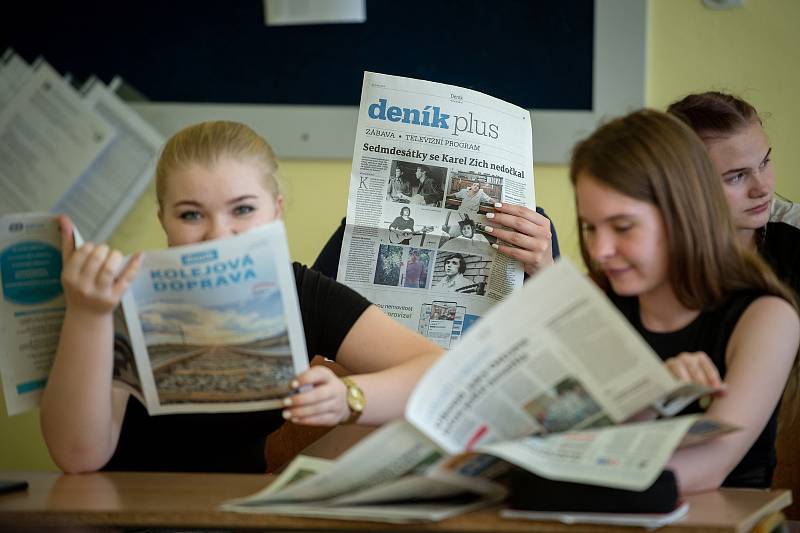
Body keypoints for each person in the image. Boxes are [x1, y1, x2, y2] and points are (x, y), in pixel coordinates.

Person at [40, 121, 442, 474]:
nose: (219, 234)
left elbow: (439, 374)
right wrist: (87, 316)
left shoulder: (301, 291)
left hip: (239, 510)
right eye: (191, 215)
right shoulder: (116, 293)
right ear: (163, 218)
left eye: (243, 210)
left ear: (275, 211)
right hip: (126, 511)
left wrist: (351, 399)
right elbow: (79, 456)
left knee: (401, 420)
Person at [570, 109, 799, 494]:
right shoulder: (595, 298)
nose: (601, 250)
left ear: (683, 213)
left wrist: (551, 482)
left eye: (623, 227)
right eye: (592, 227)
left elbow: (709, 467)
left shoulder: (766, 317)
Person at [667, 91, 800, 297]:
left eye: (764, 163)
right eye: (736, 177)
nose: (762, 189)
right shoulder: (653, 255)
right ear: (683, 184)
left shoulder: (793, 240)